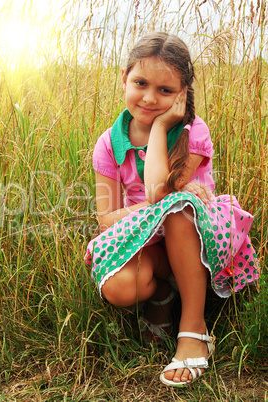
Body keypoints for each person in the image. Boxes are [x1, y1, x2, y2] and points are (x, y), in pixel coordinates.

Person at [84, 32, 260, 387]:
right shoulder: (109, 143)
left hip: (199, 235)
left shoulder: (191, 131)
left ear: (182, 94)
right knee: (119, 286)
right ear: (124, 78)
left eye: (165, 91)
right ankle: (165, 293)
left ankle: (193, 328)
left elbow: (154, 191)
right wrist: (152, 210)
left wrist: (162, 127)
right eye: (140, 83)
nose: (149, 98)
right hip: (147, 240)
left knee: (178, 209)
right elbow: (107, 219)